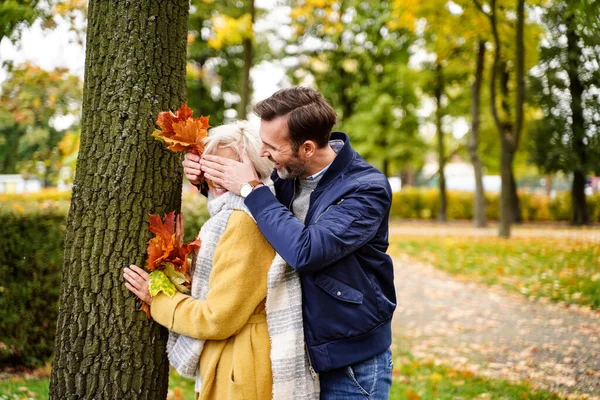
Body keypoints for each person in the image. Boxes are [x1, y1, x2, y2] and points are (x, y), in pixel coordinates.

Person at [184, 87, 396, 399]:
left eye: (271, 146)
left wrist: (251, 188)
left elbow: (306, 251)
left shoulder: (365, 190)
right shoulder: (288, 175)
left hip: (350, 363)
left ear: (307, 148)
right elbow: (264, 218)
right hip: (298, 355)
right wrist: (208, 180)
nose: (264, 153)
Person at [124, 121, 318, 400]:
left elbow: (218, 318)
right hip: (237, 358)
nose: (214, 176)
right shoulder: (238, 214)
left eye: (226, 167)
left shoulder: (242, 223)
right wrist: (180, 258)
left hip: (241, 367)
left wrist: (159, 300)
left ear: (252, 170)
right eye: (210, 164)